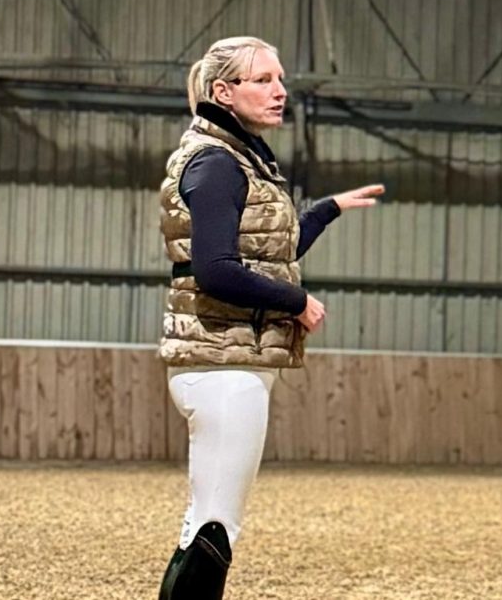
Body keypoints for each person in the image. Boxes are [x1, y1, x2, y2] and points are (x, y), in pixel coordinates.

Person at [156, 36, 384, 599]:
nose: (280, 91)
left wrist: (324, 211)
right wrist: (296, 303)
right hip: (223, 364)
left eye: (280, 79)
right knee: (217, 528)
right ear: (223, 91)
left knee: (200, 525)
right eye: (263, 80)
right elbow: (215, 269)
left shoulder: (236, 158)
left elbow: (266, 255)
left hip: (226, 360)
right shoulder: (216, 164)